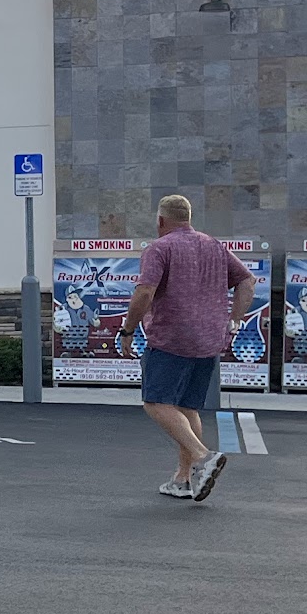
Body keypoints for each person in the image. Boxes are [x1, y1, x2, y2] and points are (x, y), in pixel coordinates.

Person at [118, 195, 255, 502]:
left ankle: (202, 456)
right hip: (209, 340)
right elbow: (247, 281)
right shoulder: (215, 246)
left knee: (155, 402)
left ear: (160, 221)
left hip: (172, 337)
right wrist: (233, 321)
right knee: (186, 406)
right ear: (189, 218)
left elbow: (145, 292)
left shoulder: (160, 248)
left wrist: (127, 329)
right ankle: (184, 479)